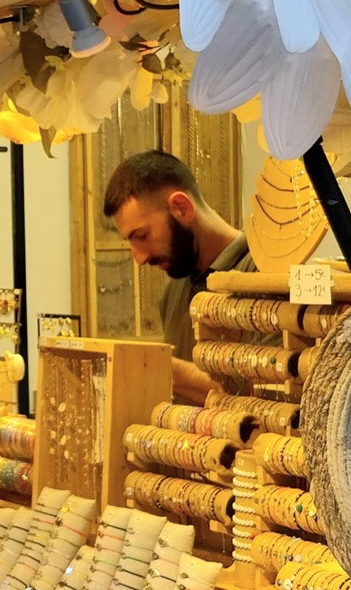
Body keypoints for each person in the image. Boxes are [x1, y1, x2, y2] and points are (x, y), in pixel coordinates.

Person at [102, 150, 256, 403]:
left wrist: (157, 366)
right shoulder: (171, 292)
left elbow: (273, 397)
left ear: (181, 208)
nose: (139, 258)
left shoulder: (259, 274)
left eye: (142, 236)